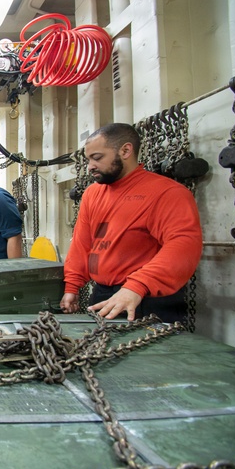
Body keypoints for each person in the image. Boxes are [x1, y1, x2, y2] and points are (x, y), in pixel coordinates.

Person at [60, 122, 202, 323]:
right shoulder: (93, 194)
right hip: (103, 294)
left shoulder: (167, 193)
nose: (90, 166)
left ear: (126, 150)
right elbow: (82, 243)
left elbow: (183, 246)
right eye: (88, 159)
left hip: (147, 299)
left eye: (97, 158)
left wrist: (137, 286)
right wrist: (72, 286)